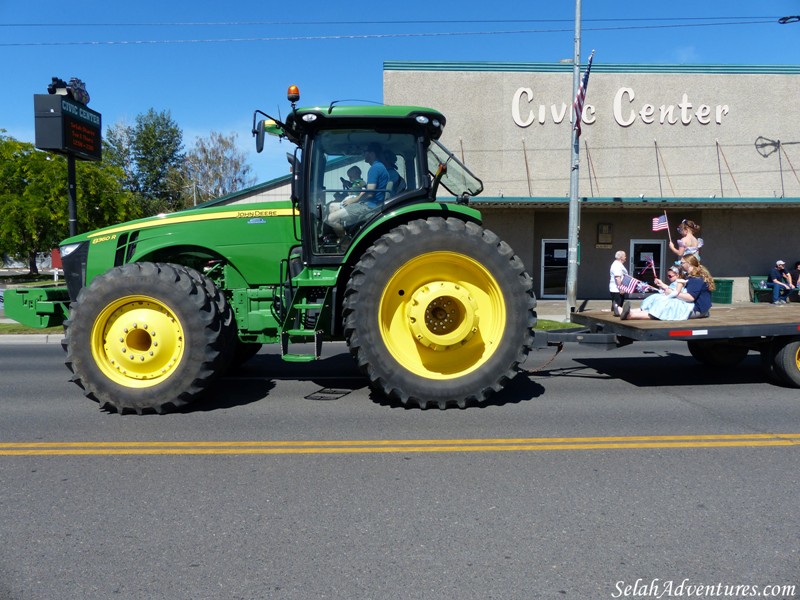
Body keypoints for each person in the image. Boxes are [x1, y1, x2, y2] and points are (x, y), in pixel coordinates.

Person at [622, 255, 714, 320]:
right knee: (661, 300)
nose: (680, 264)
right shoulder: (690, 276)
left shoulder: (696, 279)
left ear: (689, 264)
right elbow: (679, 291)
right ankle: (626, 312)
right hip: (690, 305)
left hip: (696, 309)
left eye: (682, 262)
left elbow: (690, 298)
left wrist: (672, 293)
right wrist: (663, 285)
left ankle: (631, 315)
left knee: (666, 307)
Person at [326, 143, 389, 239]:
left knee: (331, 219)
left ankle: (345, 244)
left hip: (370, 206)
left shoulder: (375, 168)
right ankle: (343, 236)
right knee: (332, 206)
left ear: (372, 154)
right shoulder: (379, 167)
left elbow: (370, 193)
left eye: (365, 152)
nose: (364, 154)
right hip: (368, 203)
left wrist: (354, 200)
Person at [608, 250, 628, 316]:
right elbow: (617, 277)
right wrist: (621, 288)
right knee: (617, 306)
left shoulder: (618, 264)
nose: (625, 257)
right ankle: (616, 318)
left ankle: (615, 315)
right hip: (617, 289)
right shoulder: (617, 265)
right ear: (621, 257)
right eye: (624, 256)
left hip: (617, 289)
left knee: (617, 305)